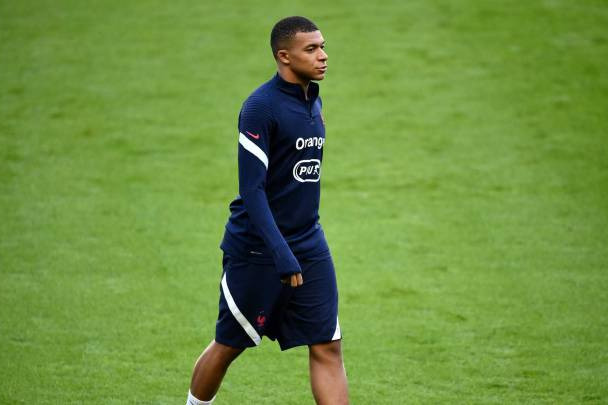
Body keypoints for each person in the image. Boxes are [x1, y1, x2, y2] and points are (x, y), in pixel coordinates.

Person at [186, 16, 349, 405]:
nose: (323, 56)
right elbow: (252, 190)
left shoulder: (312, 99)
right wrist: (280, 252)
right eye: (311, 49)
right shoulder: (260, 108)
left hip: (309, 242)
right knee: (230, 343)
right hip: (257, 248)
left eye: (323, 46)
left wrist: (297, 249)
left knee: (327, 344)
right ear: (284, 56)